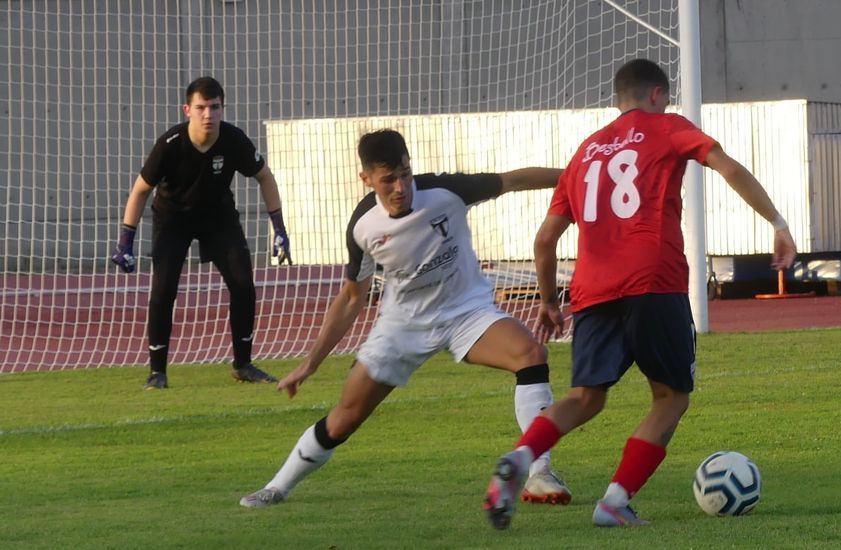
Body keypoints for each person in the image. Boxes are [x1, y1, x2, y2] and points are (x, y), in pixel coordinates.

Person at [483, 59, 798, 529]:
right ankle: (613, 502)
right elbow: (727, 167)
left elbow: (546, 239)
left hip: (592, 289)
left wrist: (549, 301)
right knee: (671, 396)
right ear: (657, 94)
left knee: (585, 396)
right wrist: (777, 223)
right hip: (654, 279)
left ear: (617, 99)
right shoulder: (668, 127)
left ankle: (523, 454)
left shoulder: (586, 151)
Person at [239, 129, 572, 508]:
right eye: (388, 180)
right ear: (366, 179)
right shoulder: (363, 227)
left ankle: (540, 472)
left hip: (467, 311)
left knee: (531, 355)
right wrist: (309, 364)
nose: (401, 187)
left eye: (405, 174)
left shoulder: (444, 192)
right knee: (345, 417)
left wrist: (579, 173)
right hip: (403, 326)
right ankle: (277, 487)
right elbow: (351, 299)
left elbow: (512, 180)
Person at [110, 77, 289, 390]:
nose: (208, 114)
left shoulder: (233, 139)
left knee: (244, 284)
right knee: (163, 290)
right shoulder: (170, 144)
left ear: (223, 108)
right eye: (201, 107)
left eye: (215, 107)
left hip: (218, 219)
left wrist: (280, 230)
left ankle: (243, 364)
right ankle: (157, 372)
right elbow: (140, 190)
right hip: (172, 219)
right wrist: (125, 242)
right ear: (187, 110)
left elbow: (265, 177)